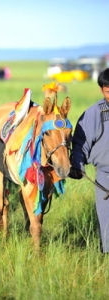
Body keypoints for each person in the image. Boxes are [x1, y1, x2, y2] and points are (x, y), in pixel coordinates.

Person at [69, 67, 109, 253]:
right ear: (102, 90)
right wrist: (77, 165)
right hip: (105, 177)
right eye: (108, 90)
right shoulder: (94, 113)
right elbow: (80, 143)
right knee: (107, 220)